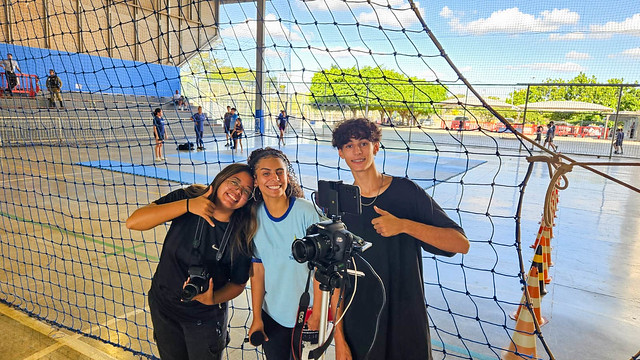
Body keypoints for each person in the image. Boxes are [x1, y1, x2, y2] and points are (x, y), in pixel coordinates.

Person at [330, 118, 469, 360]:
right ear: (341, 153)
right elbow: (336, 280)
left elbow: (460, 243)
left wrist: (403, 225)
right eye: (349, 146)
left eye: (363, 143)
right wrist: (339, 339)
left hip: (406, 319)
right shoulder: (339, 205)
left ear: (375, 146)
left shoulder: (406, 192)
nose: (357, 151)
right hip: (361, 324)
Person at [126, 163, 257, 360]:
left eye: (246, 190)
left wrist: (214, 298)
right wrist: (188, 206)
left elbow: (238, 284)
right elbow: (134, 222)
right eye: (234, 182)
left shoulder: (242, 233)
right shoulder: (189, 197)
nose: (237, 191)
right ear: (221, 179)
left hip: (204, 319)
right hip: (164, 307)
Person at [246, 147, 321, 359]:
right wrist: (257, 317)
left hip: (307, 314)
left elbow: (323, 269)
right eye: (266, 173)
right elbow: (258, 272)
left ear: (287, 175)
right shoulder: (253, 217)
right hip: (273, 315)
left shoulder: (307, 213)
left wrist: (317, 314)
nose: (275, 178)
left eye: (280, 171)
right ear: (256, 179)